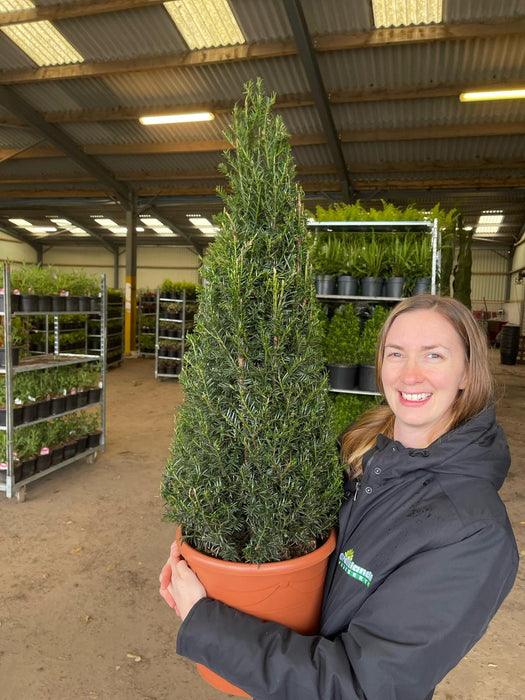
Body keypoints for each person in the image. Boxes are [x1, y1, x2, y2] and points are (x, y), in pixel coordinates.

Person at [159, 294, 518, 700]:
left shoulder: (473, 534)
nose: (410, 374)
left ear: (467, 373)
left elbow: (361, 687)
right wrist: (203, 556)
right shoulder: (358, 448)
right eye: (396, 354)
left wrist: (205, 620)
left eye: (434, 356)